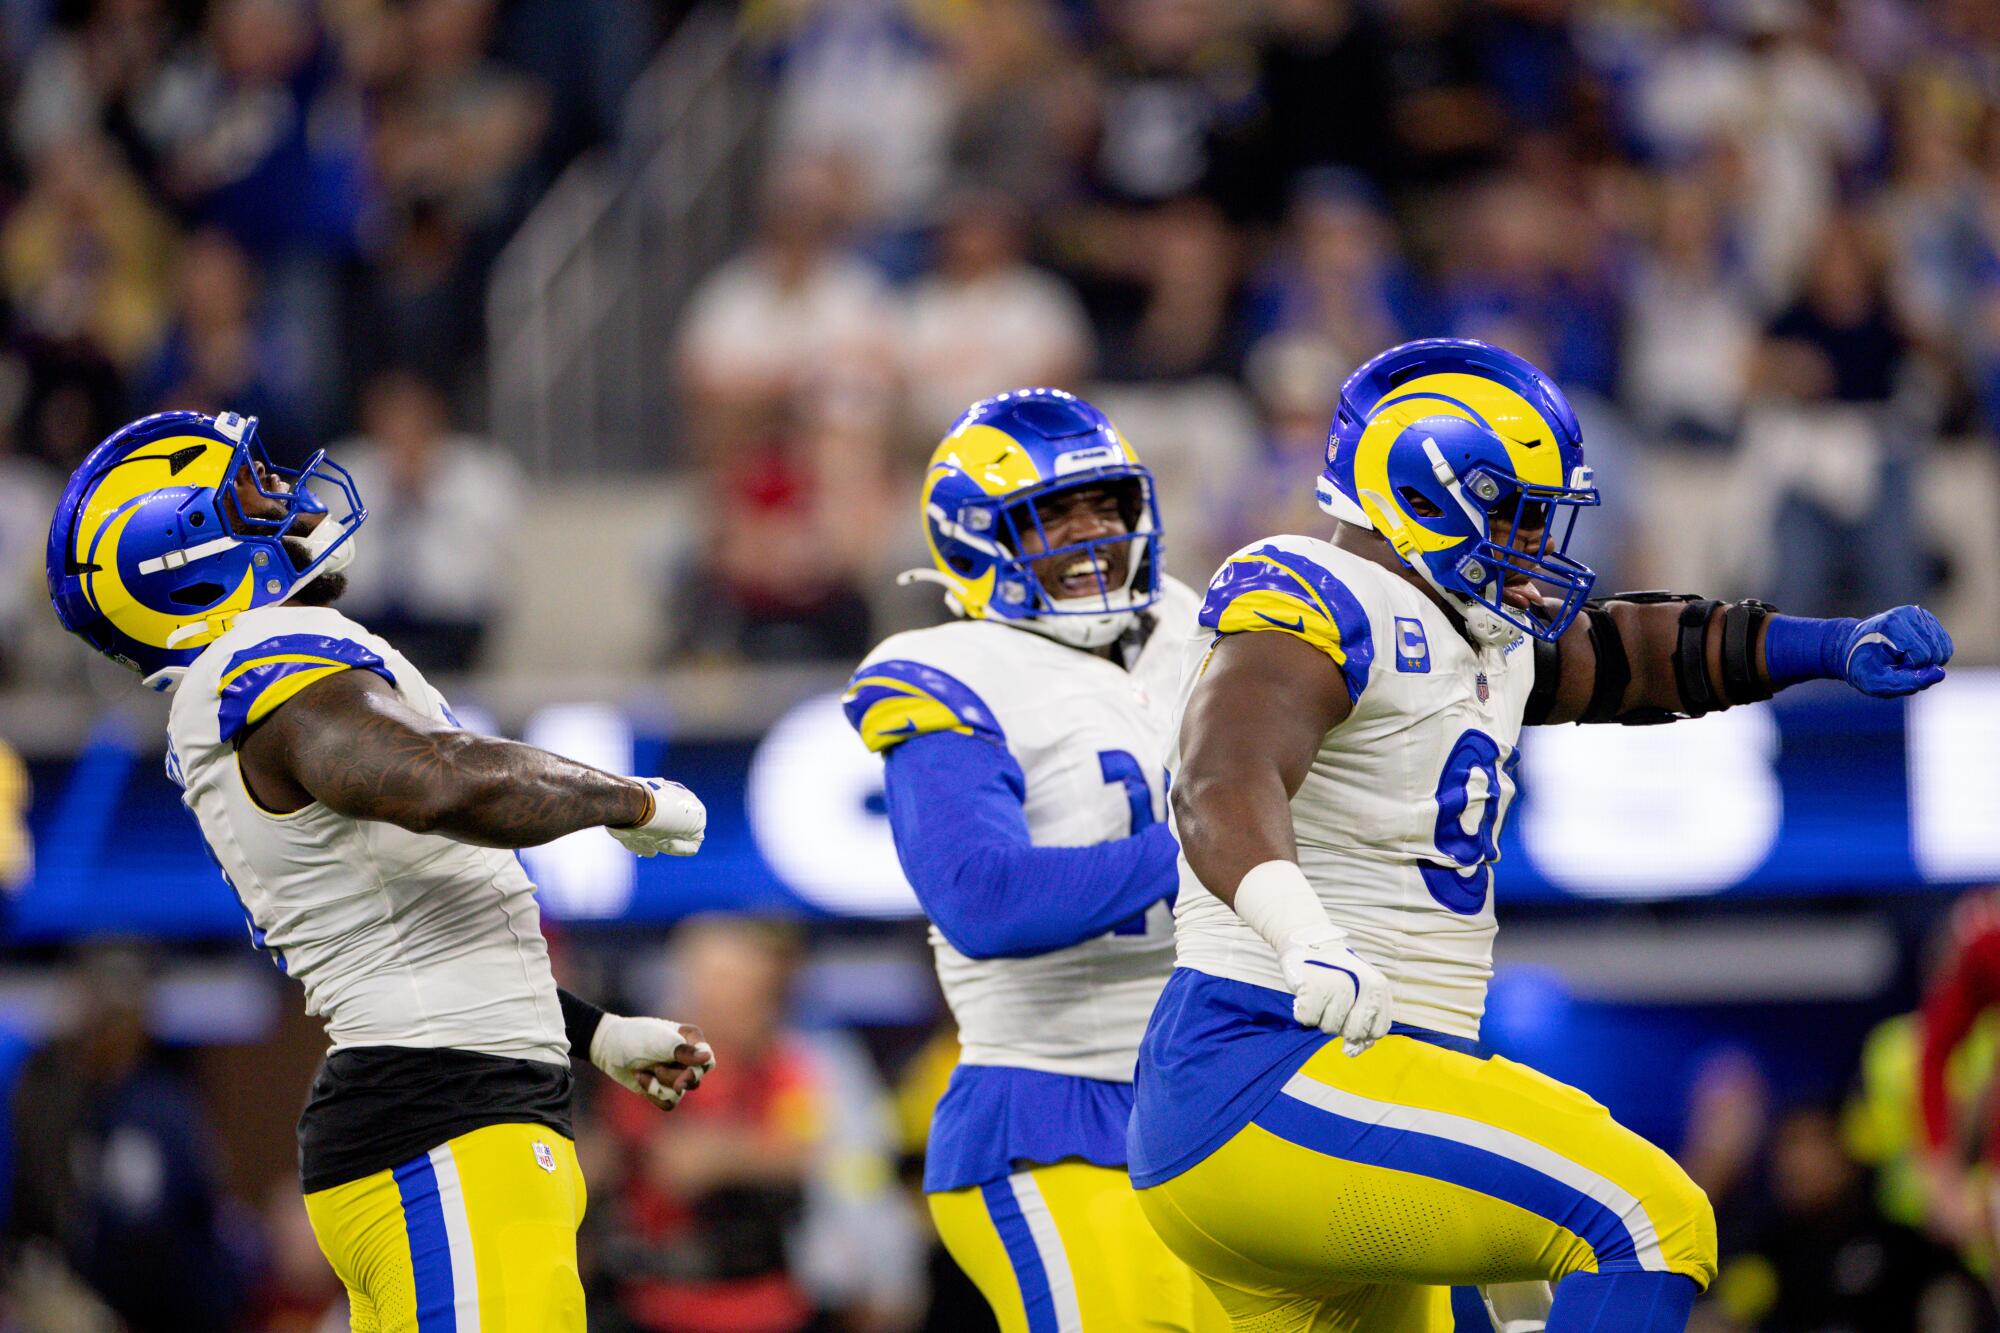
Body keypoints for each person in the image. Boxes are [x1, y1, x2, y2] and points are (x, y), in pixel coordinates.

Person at [1127, 338, 1954, 1332]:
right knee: (1648, 1218)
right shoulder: (1313, 588)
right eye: (1515, 511)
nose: (1537, 541)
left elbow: (1640, 654)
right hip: (1262, 1065)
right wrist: (1299, 931)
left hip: (1332, 1092)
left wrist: (1822, 644)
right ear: (1419, 490)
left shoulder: (1478, 632)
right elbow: (1220, 777)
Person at [44, 408, 719, 1331]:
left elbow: (411, 924)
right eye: (245, 488)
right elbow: (436, 782)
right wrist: (626, 797)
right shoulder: (259, 655)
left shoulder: (247, 684)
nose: (282, 494)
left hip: (437, 1115)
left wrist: (591, 1034)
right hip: (445, 1128)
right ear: (185, 550)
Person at [841, 389, 1222, 1332]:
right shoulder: (951, 669)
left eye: (1104, 505)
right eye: (1051, 513)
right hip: (1059, 1110)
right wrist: (1209, 848)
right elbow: (984, 898)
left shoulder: (1195, 623)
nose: (1090, 533)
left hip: (1234, 1086)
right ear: (977, 539)